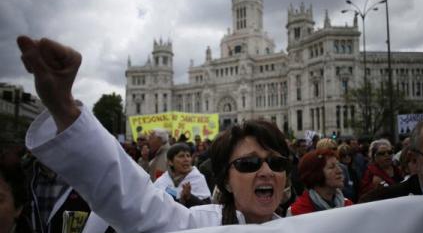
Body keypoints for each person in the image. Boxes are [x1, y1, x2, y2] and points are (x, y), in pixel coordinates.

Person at [18, 33, 292, 232]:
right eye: (249, 163)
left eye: (277, 162)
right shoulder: (200, 225)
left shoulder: (307, 225)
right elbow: (131, 199)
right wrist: (63, 107)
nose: (267, 171)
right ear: (227, 181)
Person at [288, 148, 352, 216]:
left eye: (338, 165)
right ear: (315, 174)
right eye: (331, 167)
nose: (340, 171)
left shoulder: (348, 205)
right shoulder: (297, 212)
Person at [154, 143, 211, 208]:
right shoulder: (162, 181)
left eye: (188, 156)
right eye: (181, 156)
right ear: (170, 162)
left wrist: (189, 197)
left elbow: (207, 207)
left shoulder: (198, 179)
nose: (186, 159)